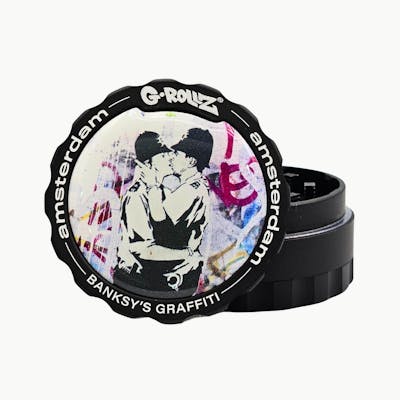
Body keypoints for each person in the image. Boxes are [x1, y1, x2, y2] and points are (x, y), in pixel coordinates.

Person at [114, 128, 213, 297]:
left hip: (166, 282)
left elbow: (163, 225)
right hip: (138, 281)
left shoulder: (187, 190)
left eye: (175, 153)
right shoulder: (137, 196)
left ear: (191, 161)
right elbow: (143, 250)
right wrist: (189, 254)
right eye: (163, 155)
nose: (170, 157)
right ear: (148, 164)